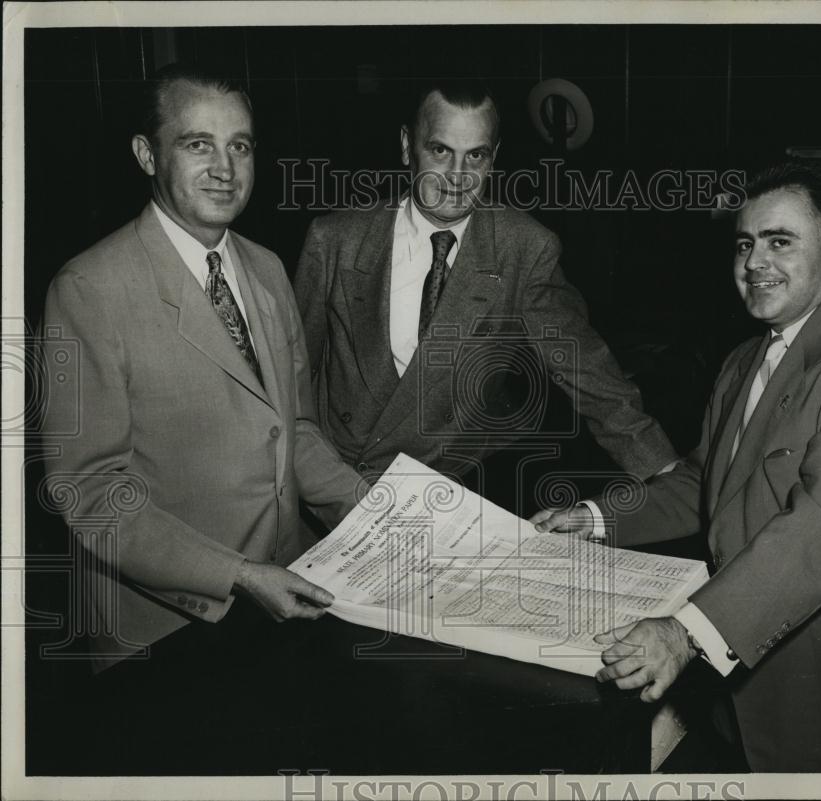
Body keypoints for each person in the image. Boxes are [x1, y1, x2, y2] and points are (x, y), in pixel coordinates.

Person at [531, 161, 821, 771]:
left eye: (779, 241)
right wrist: (595, 518)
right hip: (749, 698)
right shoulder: (744, 359)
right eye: (745, 244)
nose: (755, 262)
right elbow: (706, 479)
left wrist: (686, 633)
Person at [40, 64, 364, 674]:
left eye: (239, 146)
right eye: (198, 145)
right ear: (147, 155)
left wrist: (373, 510)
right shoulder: (88, 288)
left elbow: (295, 430)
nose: (225, 168)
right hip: (168, 630)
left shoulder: (267, 267)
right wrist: (238, 574)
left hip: (287, 596)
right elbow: (90, 492)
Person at [293, 79, 677, 493]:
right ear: (407, 146)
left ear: (494, 158)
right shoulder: (335, 240)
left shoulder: (523, 248)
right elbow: (291, 381)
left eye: (475, 155)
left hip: (445, 489)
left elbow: (588, 371)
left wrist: (671, 480)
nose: (457, 176)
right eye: (440, 151)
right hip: (338, 484)